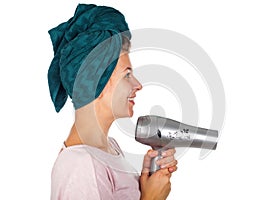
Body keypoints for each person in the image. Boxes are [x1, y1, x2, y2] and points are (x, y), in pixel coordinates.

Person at [48, 4, 178, 200]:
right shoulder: (79, 165)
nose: (138, 85)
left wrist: (144, 186)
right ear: (94, 83)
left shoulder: (110, 148)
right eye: (127, 75)